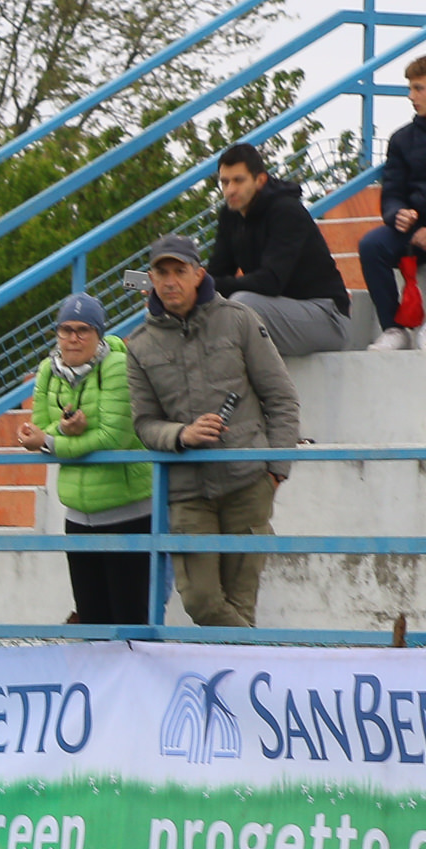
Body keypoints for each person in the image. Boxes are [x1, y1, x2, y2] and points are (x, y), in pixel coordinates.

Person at [127, 232, 300, 629]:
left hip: (248, 485)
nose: (170, 281)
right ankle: (267, 655)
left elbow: (282, 398)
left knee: (241, 603)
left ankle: (246, 663)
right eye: (161, 273)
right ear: (151, 279)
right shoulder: (139, 345)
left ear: (198, 274)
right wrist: (181, 435)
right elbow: (144, 424)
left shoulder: (239, 320)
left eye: (179, 271)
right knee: (202, 603)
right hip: (187, 493)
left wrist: (276, 471)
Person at [17, 296, 155, 627]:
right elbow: (39, 428)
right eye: (65, 330)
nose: (73, 338)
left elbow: (114, 438)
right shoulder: (48, 370)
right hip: (79, 516)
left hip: (128, 513)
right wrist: (64, 430)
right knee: (92, 621)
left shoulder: (118, 366)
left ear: (99, 334)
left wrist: (52, 440)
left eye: (83, 330)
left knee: (130, 622)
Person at [204, 143, 352, 356]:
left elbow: (270, 281)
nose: (230, 190)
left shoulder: (286, 211)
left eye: (238, 180)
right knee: (198, 304)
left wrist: (207, 285)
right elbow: (217, 272)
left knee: (241, 305)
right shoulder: (231, 215)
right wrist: (192, 287)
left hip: (327, 317)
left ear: (260, 180)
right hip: (278, 312)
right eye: (225, 182)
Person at [363, 52, 426, 350]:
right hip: (414, 231)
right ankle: (393, 329)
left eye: (419, 88)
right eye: (410, 88)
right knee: (372, 245)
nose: (411, 96)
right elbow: (392, 192)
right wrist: (397, 213)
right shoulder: (402, 139)